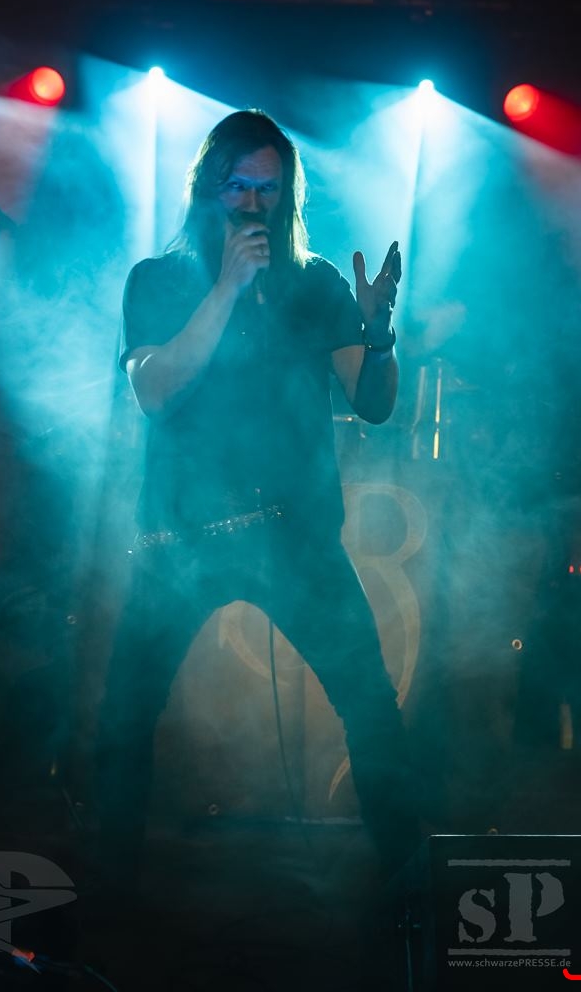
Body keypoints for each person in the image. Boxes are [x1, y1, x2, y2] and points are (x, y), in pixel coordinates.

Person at [96, 108, 419, 885]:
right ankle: (108, 891)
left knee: (368, 706)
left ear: (287, 197)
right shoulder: (159, 279)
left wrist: (378, 333)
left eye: (268, 190)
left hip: (293, 537)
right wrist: (226, 288)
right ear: (207, 190)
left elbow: (372, 403)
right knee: (124, 716)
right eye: (237, 186)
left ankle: (409, 891)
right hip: (181, 540)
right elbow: (154, 392)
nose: (251, 205)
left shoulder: (314, 282)